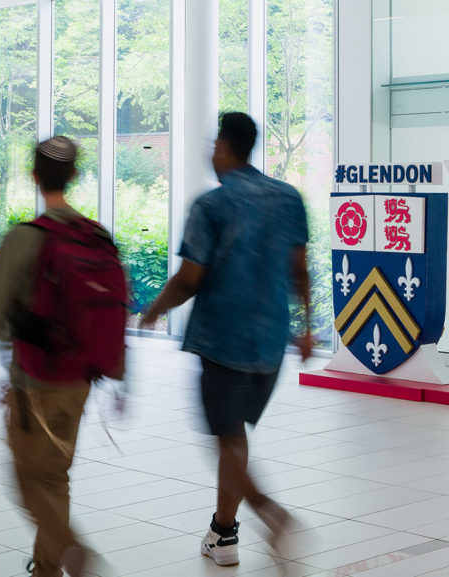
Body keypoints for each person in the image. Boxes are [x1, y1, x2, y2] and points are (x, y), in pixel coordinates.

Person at [140, 112, 313, 566]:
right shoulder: (288, 198)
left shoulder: (212, 206)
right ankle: (223, 533)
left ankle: (270, 512)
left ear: (223, 146)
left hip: (224, 341)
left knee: (227, 439)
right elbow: (299, 270)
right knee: (234, 437)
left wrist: (154, 310)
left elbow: (190, 278)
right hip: (271, 344)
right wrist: (308, 327)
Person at [0, 136, 126, 577]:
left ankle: (68, 550)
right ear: (74, 176)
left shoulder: (26, 237)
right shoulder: (98, 236)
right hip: (81, 380)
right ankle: (47, 566)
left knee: (27, 478)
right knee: (56, 474)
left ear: (34, 176)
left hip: (35, 382)